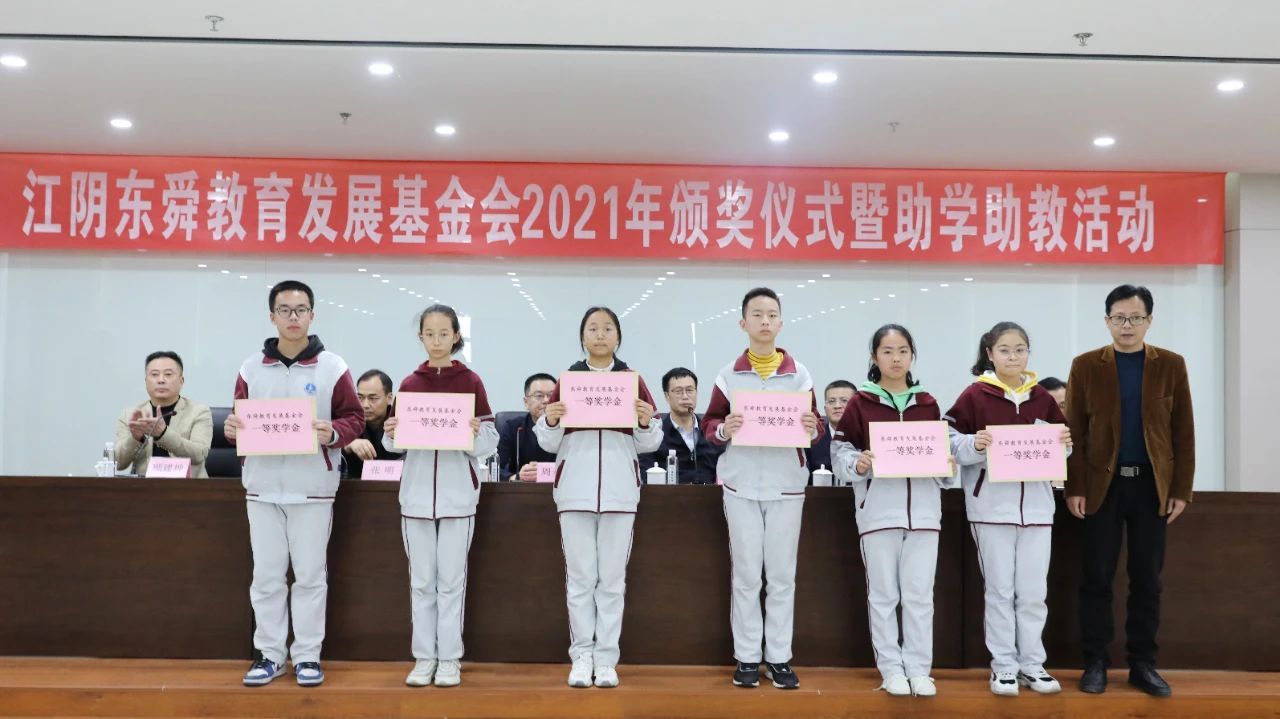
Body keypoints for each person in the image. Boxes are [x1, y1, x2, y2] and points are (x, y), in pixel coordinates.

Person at [224, 280, 364, 688]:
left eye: (301, 310)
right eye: (284, 310)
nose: (293, 317)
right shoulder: (251, 368)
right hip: (262, 488)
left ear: (312, 316)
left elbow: (354, 418)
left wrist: (332, 432)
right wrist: (232, 430)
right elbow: (238, 420)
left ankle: (307, 656)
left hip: (313, 488)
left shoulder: (332, 367)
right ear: (272, 317)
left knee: (309, 577)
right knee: (266, 577)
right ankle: (269, 654)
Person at [1066, 285, 1194, 698]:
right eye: (1119, 317)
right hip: (1102, 486)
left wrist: (1181, 489)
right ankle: (1095, 662)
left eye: (1135, 318)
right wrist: (1075, 486)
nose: (1127, 325)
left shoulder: (1171, 365)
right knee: (1096, 577)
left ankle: (1142, 664)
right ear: (1107, 321)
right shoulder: (1086, 366)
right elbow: (1075, 431)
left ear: (1149, 321)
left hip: (1151, 487)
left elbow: (1183, 431)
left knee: (1147, 580)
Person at [534, 306, 662, 689]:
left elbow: (651, 441)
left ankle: (606, 659)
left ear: (618, 337)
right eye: (593, 328)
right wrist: (551, 419)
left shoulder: (632, 381)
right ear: (582, 336)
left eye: (608, 328)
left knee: (611, 581)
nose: (601, 335)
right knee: (580, 579)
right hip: (575, 491)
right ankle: (581, 657)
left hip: (620, 493)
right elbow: (548, 442)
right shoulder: (568, 380)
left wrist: (644, 422)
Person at [703, 287, 822, 690]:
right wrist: (725, 428)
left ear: (781, 323)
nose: (765, 321)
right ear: (743, 323)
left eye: (772, 314)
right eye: (757, 314)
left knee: (783, 576)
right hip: (740, 486)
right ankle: (747, 657)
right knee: (747, 575)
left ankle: (779, 657)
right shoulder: (728, 374)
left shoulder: (799, 374)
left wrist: (812, 427)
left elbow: (816, 426)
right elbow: (710, 425)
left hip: (786, 486)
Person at [945, 322, 1071, 697]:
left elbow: (1063, 447)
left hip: (1037, 511)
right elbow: (948, 440)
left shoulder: (1041, 397)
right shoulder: (974, 395)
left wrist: (1065, 443)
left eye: (1020, 349)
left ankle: (1032, 664)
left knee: (1033, 593)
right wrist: (974, 444)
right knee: (999, 591)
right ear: (990, 354)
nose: (1013, 356)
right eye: (1004, 350)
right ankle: (1003, 666)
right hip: (990, 509)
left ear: (1028, 353)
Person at [831, 324, 956, 698]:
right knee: (883, 595)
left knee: (920, 596)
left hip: (924, 514)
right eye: (887, 351)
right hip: (879, 512)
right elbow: (840, 452)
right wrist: (858, 463)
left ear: (912, 355)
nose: (896, 358)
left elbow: (940, 454)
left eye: (903, 351)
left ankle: (919, 669)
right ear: (874, 357)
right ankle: (890, 669)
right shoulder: (860, 403)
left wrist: (946, 466)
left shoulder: (927, 403)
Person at [382, 304, 498, 688]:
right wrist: (391, 432)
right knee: (421, 582)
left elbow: (490, 441)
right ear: (420, 337)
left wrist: (473, 434)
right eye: (429, 334)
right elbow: (395, 443)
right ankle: (423, 657)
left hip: (458, 497)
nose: (436, 341)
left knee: (451, 582)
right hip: (415, 497)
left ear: (456, 336)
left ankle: (449, 658)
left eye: (443, 333)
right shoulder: (409, 384)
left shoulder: (471, 381)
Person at [114, 351, 213, 477]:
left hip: (188, 486)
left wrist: (163, 434)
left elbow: (199, 454)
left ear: (181, 381)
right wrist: (135, 438)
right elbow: (117, 463)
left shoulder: (199, 412)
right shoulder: (130, 415)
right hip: (145, 487)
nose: (161, 380)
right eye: (154, 374)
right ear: (146, 381)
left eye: (168, 374)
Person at [637, 367, 722, 484]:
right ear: (667, 396)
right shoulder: (653, 436)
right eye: (678, 391)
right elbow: (646, 478)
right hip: (666, 495)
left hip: (710, 495)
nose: (685, 396)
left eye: (690, 390)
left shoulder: (712, 432)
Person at [341, 369, 404, 479]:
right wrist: (348, 444)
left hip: (398, 486)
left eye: (373, 398)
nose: (365, 405)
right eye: (360, 398)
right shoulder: (348, 421)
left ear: (389, 398)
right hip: (354, 487)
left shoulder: (401, 422)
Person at [496, 372, 558, 481]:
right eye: (539, 396)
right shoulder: (513, 427)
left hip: (559, 488)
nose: (546, 400)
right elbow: (494, 468)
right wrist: (516, 477)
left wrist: (546, 473)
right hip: (520, 489)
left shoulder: (568, 428)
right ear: (526, 402)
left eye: (551, 396)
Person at [807, 380, 855, 481]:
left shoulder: (867, 438)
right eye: (831, 401)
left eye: (844, 400)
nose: (837, 406)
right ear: (825, 408)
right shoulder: (813, 436)